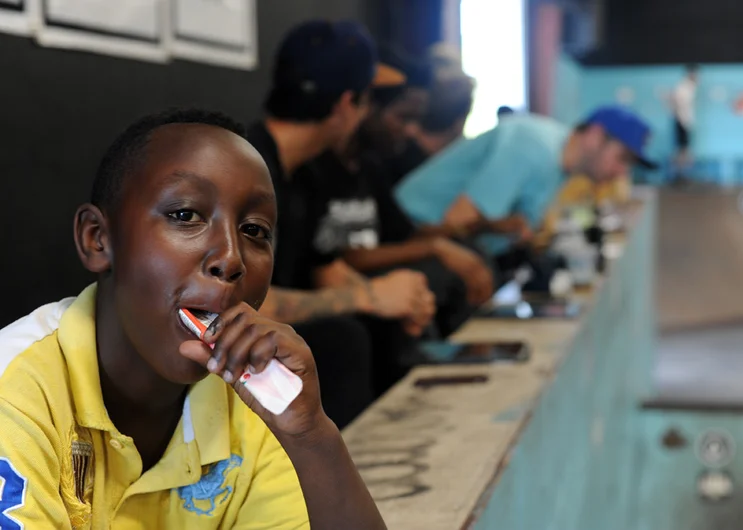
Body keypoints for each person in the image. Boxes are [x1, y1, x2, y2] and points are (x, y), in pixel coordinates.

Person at [0, 109, 386, 529]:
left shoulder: (255, 405)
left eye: (255, 230)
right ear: (99, 239)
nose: (231, 258)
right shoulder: (16, 392)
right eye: (185, 215)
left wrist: (311, 438)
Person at [246, 21, 435, 394]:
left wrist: (399, 298)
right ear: (347, 104)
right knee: (343, 338)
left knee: (375, 321)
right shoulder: (244, 169)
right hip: (218, 351)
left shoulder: (307, 173)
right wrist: (368, 297)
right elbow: (236, 308)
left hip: (268, 341)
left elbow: (327, 268)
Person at [297, 63, 493, 337]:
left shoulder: (370, 167)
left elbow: (404, 233)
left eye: (416, 120)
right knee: (429, 275)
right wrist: (436, 248)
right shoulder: (316, 169)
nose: (412, 131)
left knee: (462, 257)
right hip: (340, 289)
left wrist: (461, 235)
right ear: (366, 108)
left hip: (367, 282)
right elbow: (344, 257)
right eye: (403, 118)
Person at [395, 106, 658, 265]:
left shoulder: (561, 168)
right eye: (622, 158)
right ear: (595, 136)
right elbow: (455, 221)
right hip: (402, 237)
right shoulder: (531, 145)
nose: (622, 172)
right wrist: (505, 227)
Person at [671, 64, 698, 180]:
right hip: (681, 122)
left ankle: (683, 174)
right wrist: (681, 118)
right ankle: (679, 175)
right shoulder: (683, 87)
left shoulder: (691, 87)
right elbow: (674, 100)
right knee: (682, 150)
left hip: (685, 122)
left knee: (685, 150)